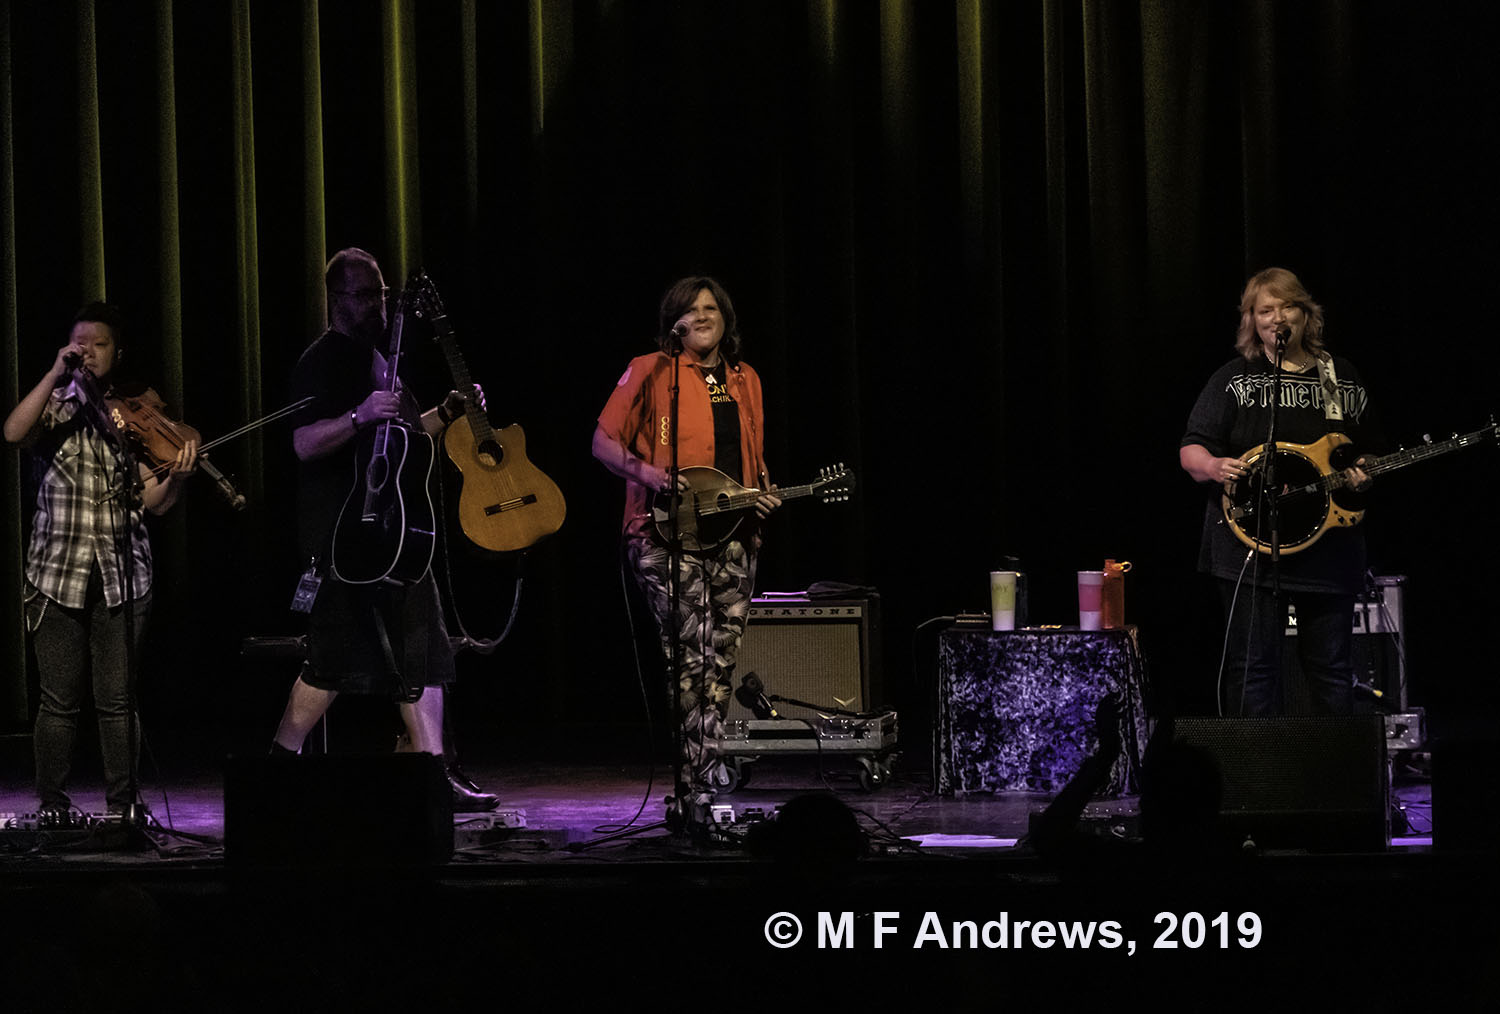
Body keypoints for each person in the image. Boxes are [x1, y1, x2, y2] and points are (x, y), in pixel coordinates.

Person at [269, 247, 497, 812]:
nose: (379, 304)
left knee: (426, 652)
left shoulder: (381, 361)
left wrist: (448, 412)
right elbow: (303, 442)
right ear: (337, 299)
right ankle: (276, 765)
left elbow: (405, 435)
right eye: (366, 294)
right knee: (331, 661)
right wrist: (358, 415)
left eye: (383, 294)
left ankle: (433, 777)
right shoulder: (321, 362)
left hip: (395, 535)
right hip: (341, 539)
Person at [4, 302, 199, 815]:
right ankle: (52, 805)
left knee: (117, 701)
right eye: (80, 342)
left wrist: (177, 479)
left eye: (100, 344)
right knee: (58, 702)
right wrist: (54, 373)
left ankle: (124, 805)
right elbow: (13, 433)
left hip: (122, 573)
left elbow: (153, 502)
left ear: (118, 352)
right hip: (56, 572)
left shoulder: (130, 414)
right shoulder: (55, 403)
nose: (88, 351)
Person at [593, 276, 780, 791]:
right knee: (691, 653)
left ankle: (705, 769)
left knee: (721, 657)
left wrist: (762, 493)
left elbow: (752, 457)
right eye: (690, 309)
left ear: (725, 317)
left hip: (734, 535)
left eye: (710, 308)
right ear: (673, 322)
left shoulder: (745, 378)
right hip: (664, 535)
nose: (701, 316)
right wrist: (651, 475)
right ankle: (696, 780)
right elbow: (602, 442)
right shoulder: (651, 371)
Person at [1180, 267, 1381, 716]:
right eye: (1264, 310)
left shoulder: (1339, 377)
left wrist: (1364, 472)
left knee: (1331, 670)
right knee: (1253, 670)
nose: (1277, 318)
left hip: (1328, 551)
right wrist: (1213, 465)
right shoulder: (1235, 378)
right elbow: (1191, 450)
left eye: (1287, 307)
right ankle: (1259, 763)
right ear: (1251, 321)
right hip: (1248, 551)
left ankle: (1334, 762)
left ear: (1305, 314)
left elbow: (1370, 449)